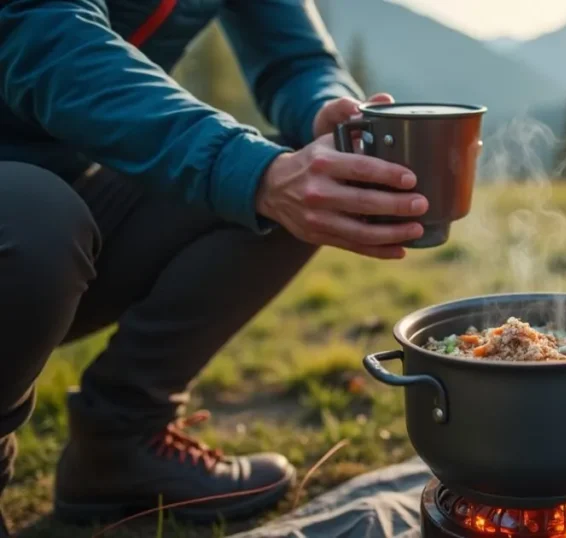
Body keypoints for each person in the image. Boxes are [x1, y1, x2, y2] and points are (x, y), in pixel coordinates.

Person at [0, 0, 431, 532]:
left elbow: (296, 59)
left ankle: (121, 443)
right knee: (36, 218)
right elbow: (46, 36)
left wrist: (329, 110)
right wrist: (253, 171)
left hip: (68, 210)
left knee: (315, 172)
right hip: (24, 222)